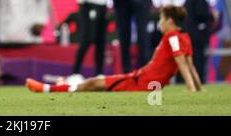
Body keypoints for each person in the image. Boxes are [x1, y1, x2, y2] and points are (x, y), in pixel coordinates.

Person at [26, 5, 204, 93]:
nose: (160, 23)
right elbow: (190, 65)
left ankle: (47, 89)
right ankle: (61, 84)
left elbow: (182, 63)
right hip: (142, 79)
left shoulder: (171, 37)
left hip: (141, 82)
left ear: (170, 22)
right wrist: (198, 87)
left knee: (94, 83)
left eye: (162, 19)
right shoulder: (184, 37)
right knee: (94, 82)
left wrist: (190, 88)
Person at [183, 0, 215, 83]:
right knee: (198, 62)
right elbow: (200, 13)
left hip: (191, 35)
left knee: (194, 62)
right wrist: (212, 16)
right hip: (196, 36)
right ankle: (198, 84)